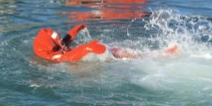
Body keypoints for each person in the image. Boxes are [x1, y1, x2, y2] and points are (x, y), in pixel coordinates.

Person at [33, 24, 178, 62]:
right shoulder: (55, 57)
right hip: (92, 54)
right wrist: (89, 47)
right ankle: (158, 56)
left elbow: (66, 40)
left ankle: (155, 54)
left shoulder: (55, 48)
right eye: (58, 42)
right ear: (51, 47)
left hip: (94, 52)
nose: (62, 42)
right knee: (119, 55)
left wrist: (76, 29)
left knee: (117, 50)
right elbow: (70, 57)